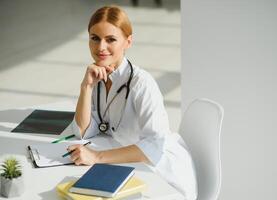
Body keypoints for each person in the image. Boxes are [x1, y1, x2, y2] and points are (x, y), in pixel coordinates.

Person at [69, 5, 197, 199]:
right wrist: (85, 87)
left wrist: (96, 157)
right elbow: (84, 131)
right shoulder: (98, 75)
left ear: (128, 42)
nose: (100, 47)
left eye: (110, 39)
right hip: (124, 162)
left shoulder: (142, 84)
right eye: (94, 38)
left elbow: (154, 146)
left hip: (159, 173)